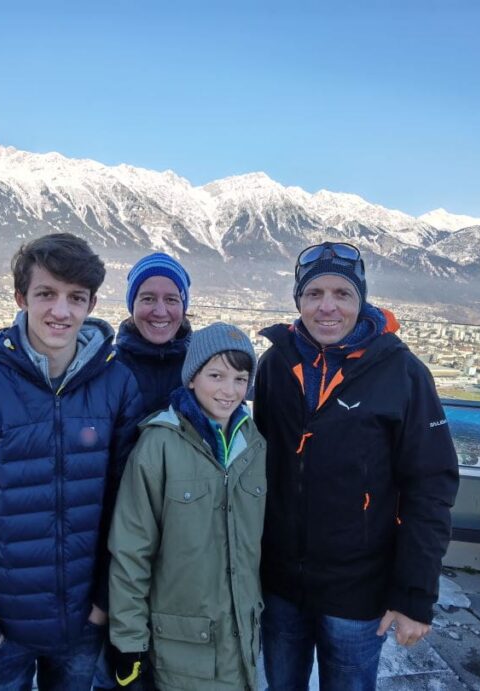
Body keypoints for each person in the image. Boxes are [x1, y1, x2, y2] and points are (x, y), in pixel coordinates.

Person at [0, 233, 145, 691]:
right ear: (21, 297)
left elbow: (129, 506)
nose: (60, 311)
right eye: (46, 294)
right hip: (0, 631)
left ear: (91, 304)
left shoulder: (117, 386)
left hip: (81, 625)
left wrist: (103, 603)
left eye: (75, 298)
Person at [254, 241, 459, 691]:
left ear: (360, 300)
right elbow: (259, 468)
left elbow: (430, 487)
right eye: (314, 294)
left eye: (342, 294)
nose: (327, 307)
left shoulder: (402, 374)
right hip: (281, 582)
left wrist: (414, 595)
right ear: (299, 301)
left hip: (358, 590)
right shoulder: (275, 365)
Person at [108, 323, 267, 691]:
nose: (229, 391)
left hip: (242, 639)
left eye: (240, 379)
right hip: (181, 645)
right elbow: (132, 550)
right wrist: (129, 641)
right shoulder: (159, 445)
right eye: (216, 375)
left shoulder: (254, 444)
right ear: (192, 378)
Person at [116, 252, 193, 416]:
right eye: (148, 299)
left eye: (171, 300)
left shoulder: (201, 369)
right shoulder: (107, 367)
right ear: (132, 305)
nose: (160, 311)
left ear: (183, 307)